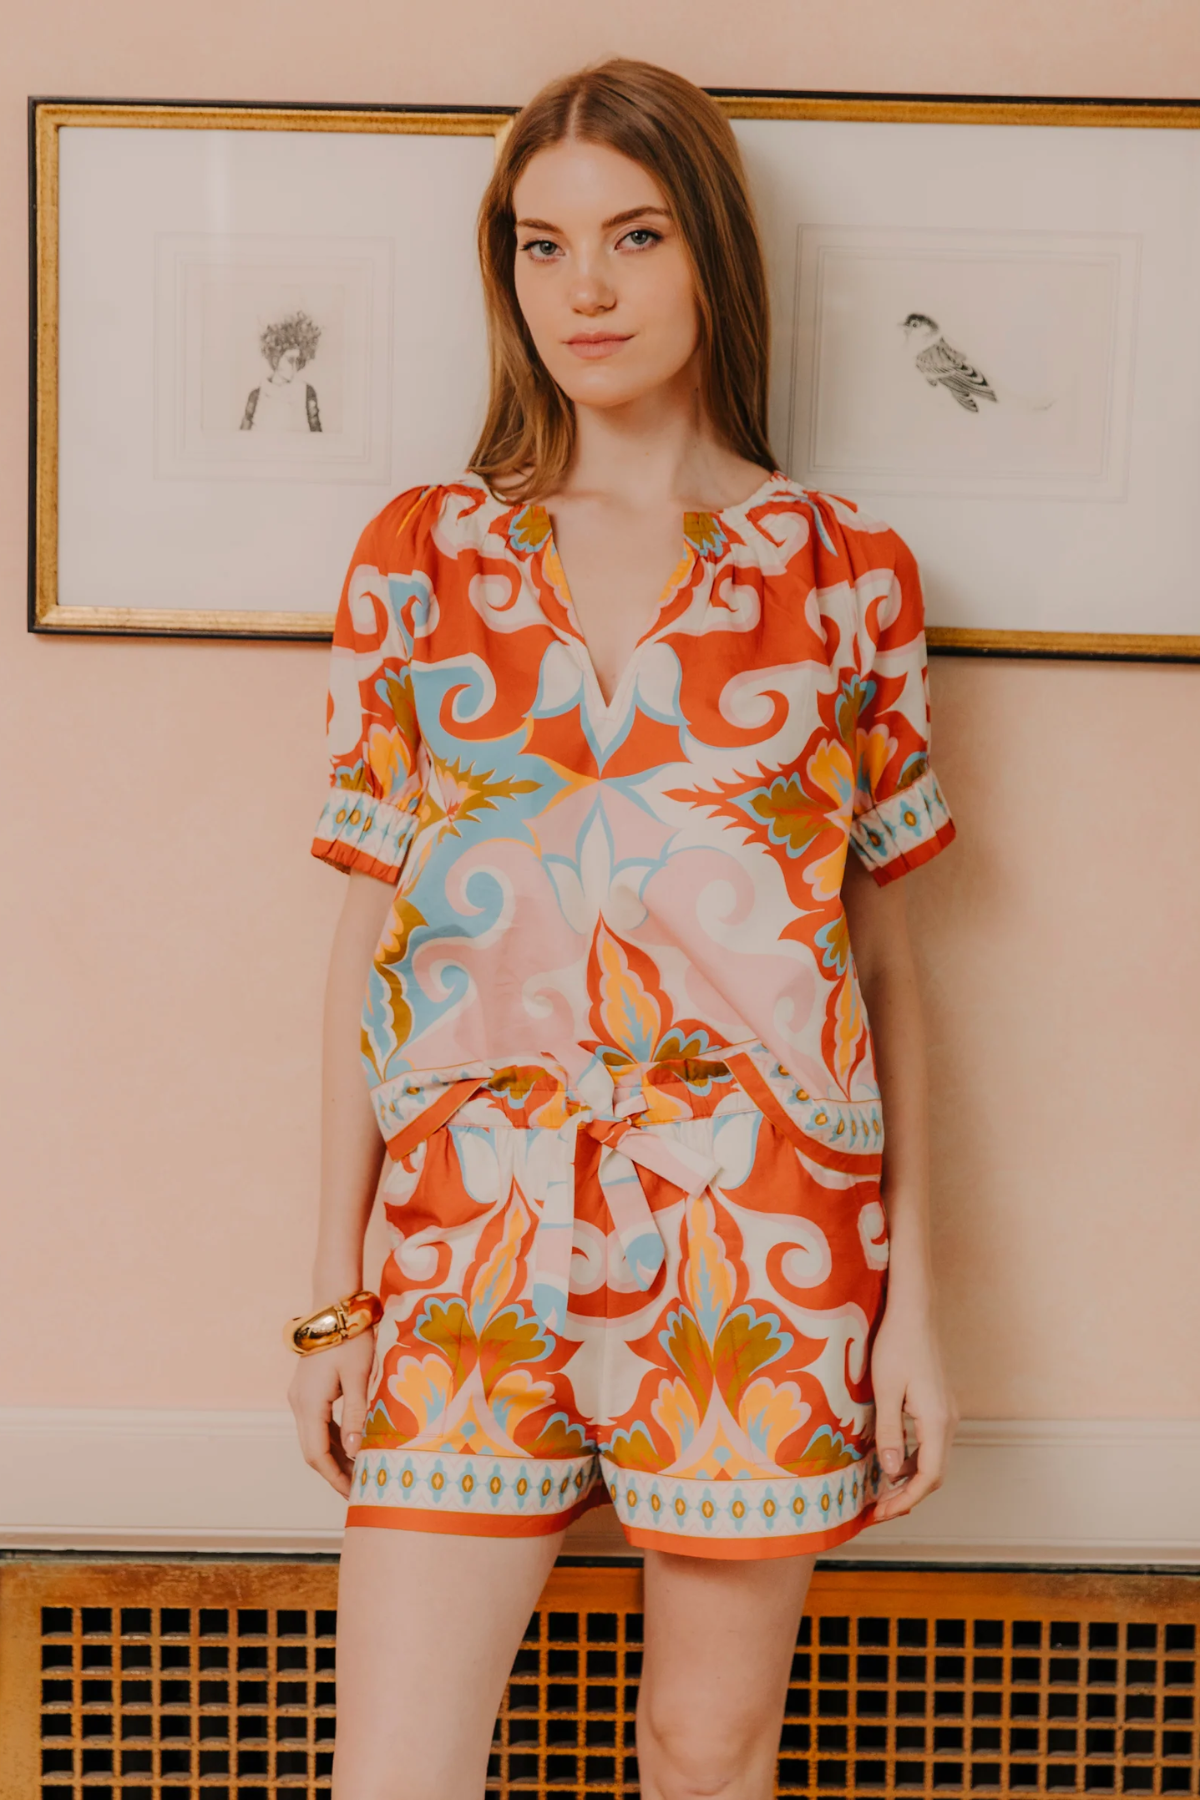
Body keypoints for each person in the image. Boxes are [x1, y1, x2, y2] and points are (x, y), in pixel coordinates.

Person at [288, 57, 958, 1800]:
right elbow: (375, 940)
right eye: (540, 246)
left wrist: (915, 1310)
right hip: (465, 1253)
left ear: (709, 256)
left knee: (704, 1751)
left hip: (768, 1244)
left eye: (634, 236)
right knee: (397, 1772)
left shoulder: (843, 573)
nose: (583, 289)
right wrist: (326, 1297)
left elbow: (882, 966)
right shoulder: (418, 562)